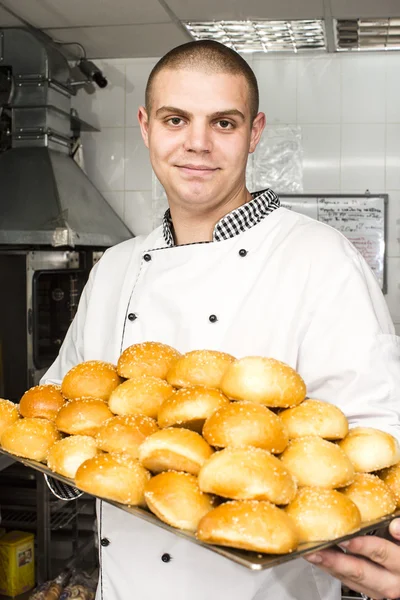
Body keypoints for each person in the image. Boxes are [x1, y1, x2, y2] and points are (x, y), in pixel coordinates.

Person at [44, 40, 400, 600]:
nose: (197, 143)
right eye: (175, 119)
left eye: (224, 123)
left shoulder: (319, 257)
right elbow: (63, 412)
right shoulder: (114, 268)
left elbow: (377, 438)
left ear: (255, 132)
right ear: (146, 126)